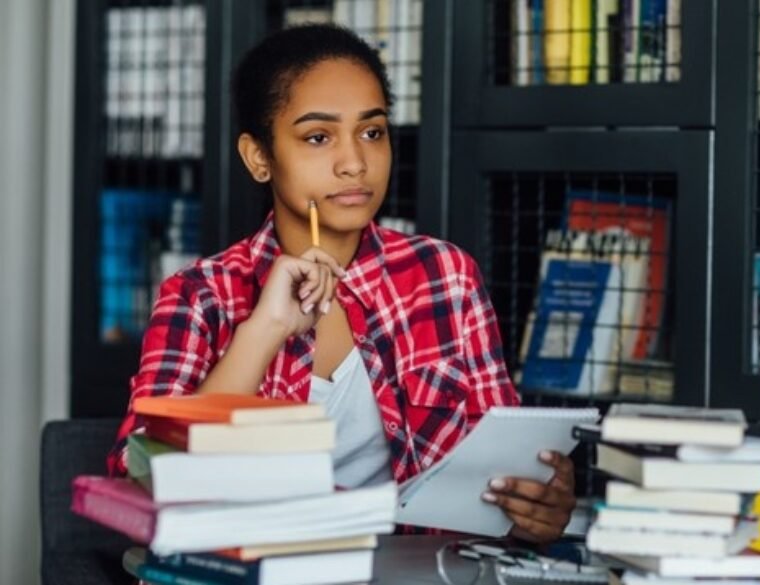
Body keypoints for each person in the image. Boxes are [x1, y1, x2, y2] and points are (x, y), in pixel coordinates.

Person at [108, 23, 575, 543]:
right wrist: (263, 330)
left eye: (372, 132)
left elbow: (507, 463)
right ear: (259, 157)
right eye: (317, 137)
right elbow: (145, 484)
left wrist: (539, 506)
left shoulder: (445, 276)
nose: (355, 163)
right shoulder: (200, 296)